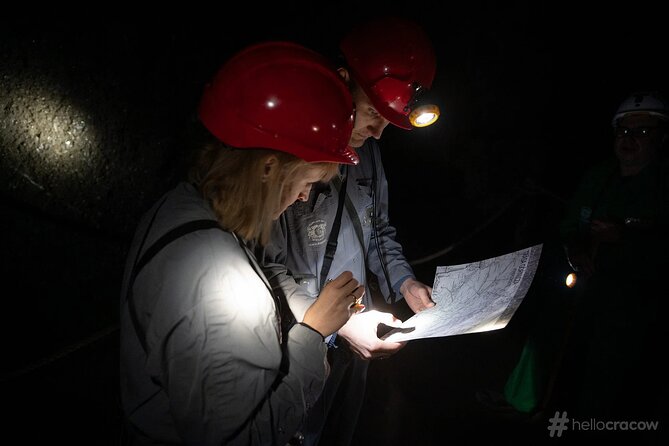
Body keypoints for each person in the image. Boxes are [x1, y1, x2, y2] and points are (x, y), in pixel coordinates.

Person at [119, 41, 366, 445]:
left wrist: (310, 309)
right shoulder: (217, 280)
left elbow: (260, 271)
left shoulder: (185, 204)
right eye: (306, 182)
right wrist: (314, 333)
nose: (304, 197)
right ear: (269, 167)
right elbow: (244, 437)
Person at [259, 17, 438, 446]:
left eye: (387, 122)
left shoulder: (370, 154)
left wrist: (404, 281)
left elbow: (379, 232)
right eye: (374, 113)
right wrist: (335, 326)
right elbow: (266, 269)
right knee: (291, 434)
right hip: (296, 338)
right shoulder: (288, 153)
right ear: (341, 82)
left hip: (356, 332)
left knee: (340, 430)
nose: (378, 132)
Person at [477, 91, 669, 420]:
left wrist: (625, 237)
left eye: (641, 132)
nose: (629, 139)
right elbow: (569, 223)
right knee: (546, 335)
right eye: (623, 131)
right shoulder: (598, 176)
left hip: (630, 298)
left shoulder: (662, 185)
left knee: (609, 365)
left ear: (661, 137)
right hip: (581, 283)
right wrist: (575, 248)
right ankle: (523, 402)